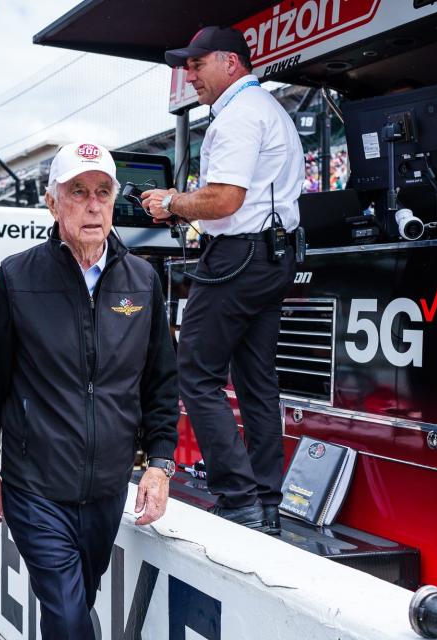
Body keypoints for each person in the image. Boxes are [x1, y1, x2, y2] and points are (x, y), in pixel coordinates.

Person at [0, 141, 178, 640]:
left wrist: (160, 462)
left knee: (76, 602)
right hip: (35, 486)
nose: (92, 203)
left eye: (103, 192)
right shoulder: (16, 277)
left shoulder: (143, 280)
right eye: (78, 191)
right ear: (52, 202)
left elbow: (161, 382)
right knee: (65, 612)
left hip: (106, 489)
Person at [142, 26, 303, 534]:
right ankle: (266, 503)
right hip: (272, 255)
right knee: (257, 381)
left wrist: (171, 202)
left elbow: (225, 200)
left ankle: (239, 498)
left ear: (231, 63)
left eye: (197, 64)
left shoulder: (238, 117)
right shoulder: (267, 110)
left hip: (240, 255)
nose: (189, 75)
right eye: (186, 66)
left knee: (197, 373)